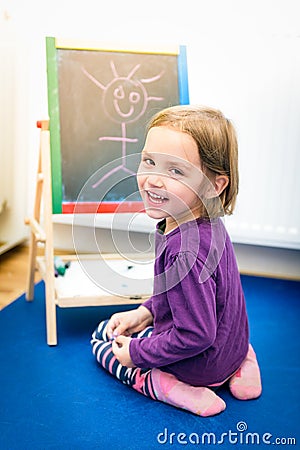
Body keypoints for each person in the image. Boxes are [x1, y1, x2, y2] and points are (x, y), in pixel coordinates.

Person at [91, 105, 262, 417]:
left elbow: (195, 334)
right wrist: (144, 313)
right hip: (229, 348)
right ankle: (243, 360)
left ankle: (171, 388)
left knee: (103, 338)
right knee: (140, 327)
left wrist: (136, 352)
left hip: (198, 368)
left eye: (175, 171)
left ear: (213, 185)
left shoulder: (185, 250)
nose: (153, 180)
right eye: (149, 162)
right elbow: (200, 300)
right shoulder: (205, 221)